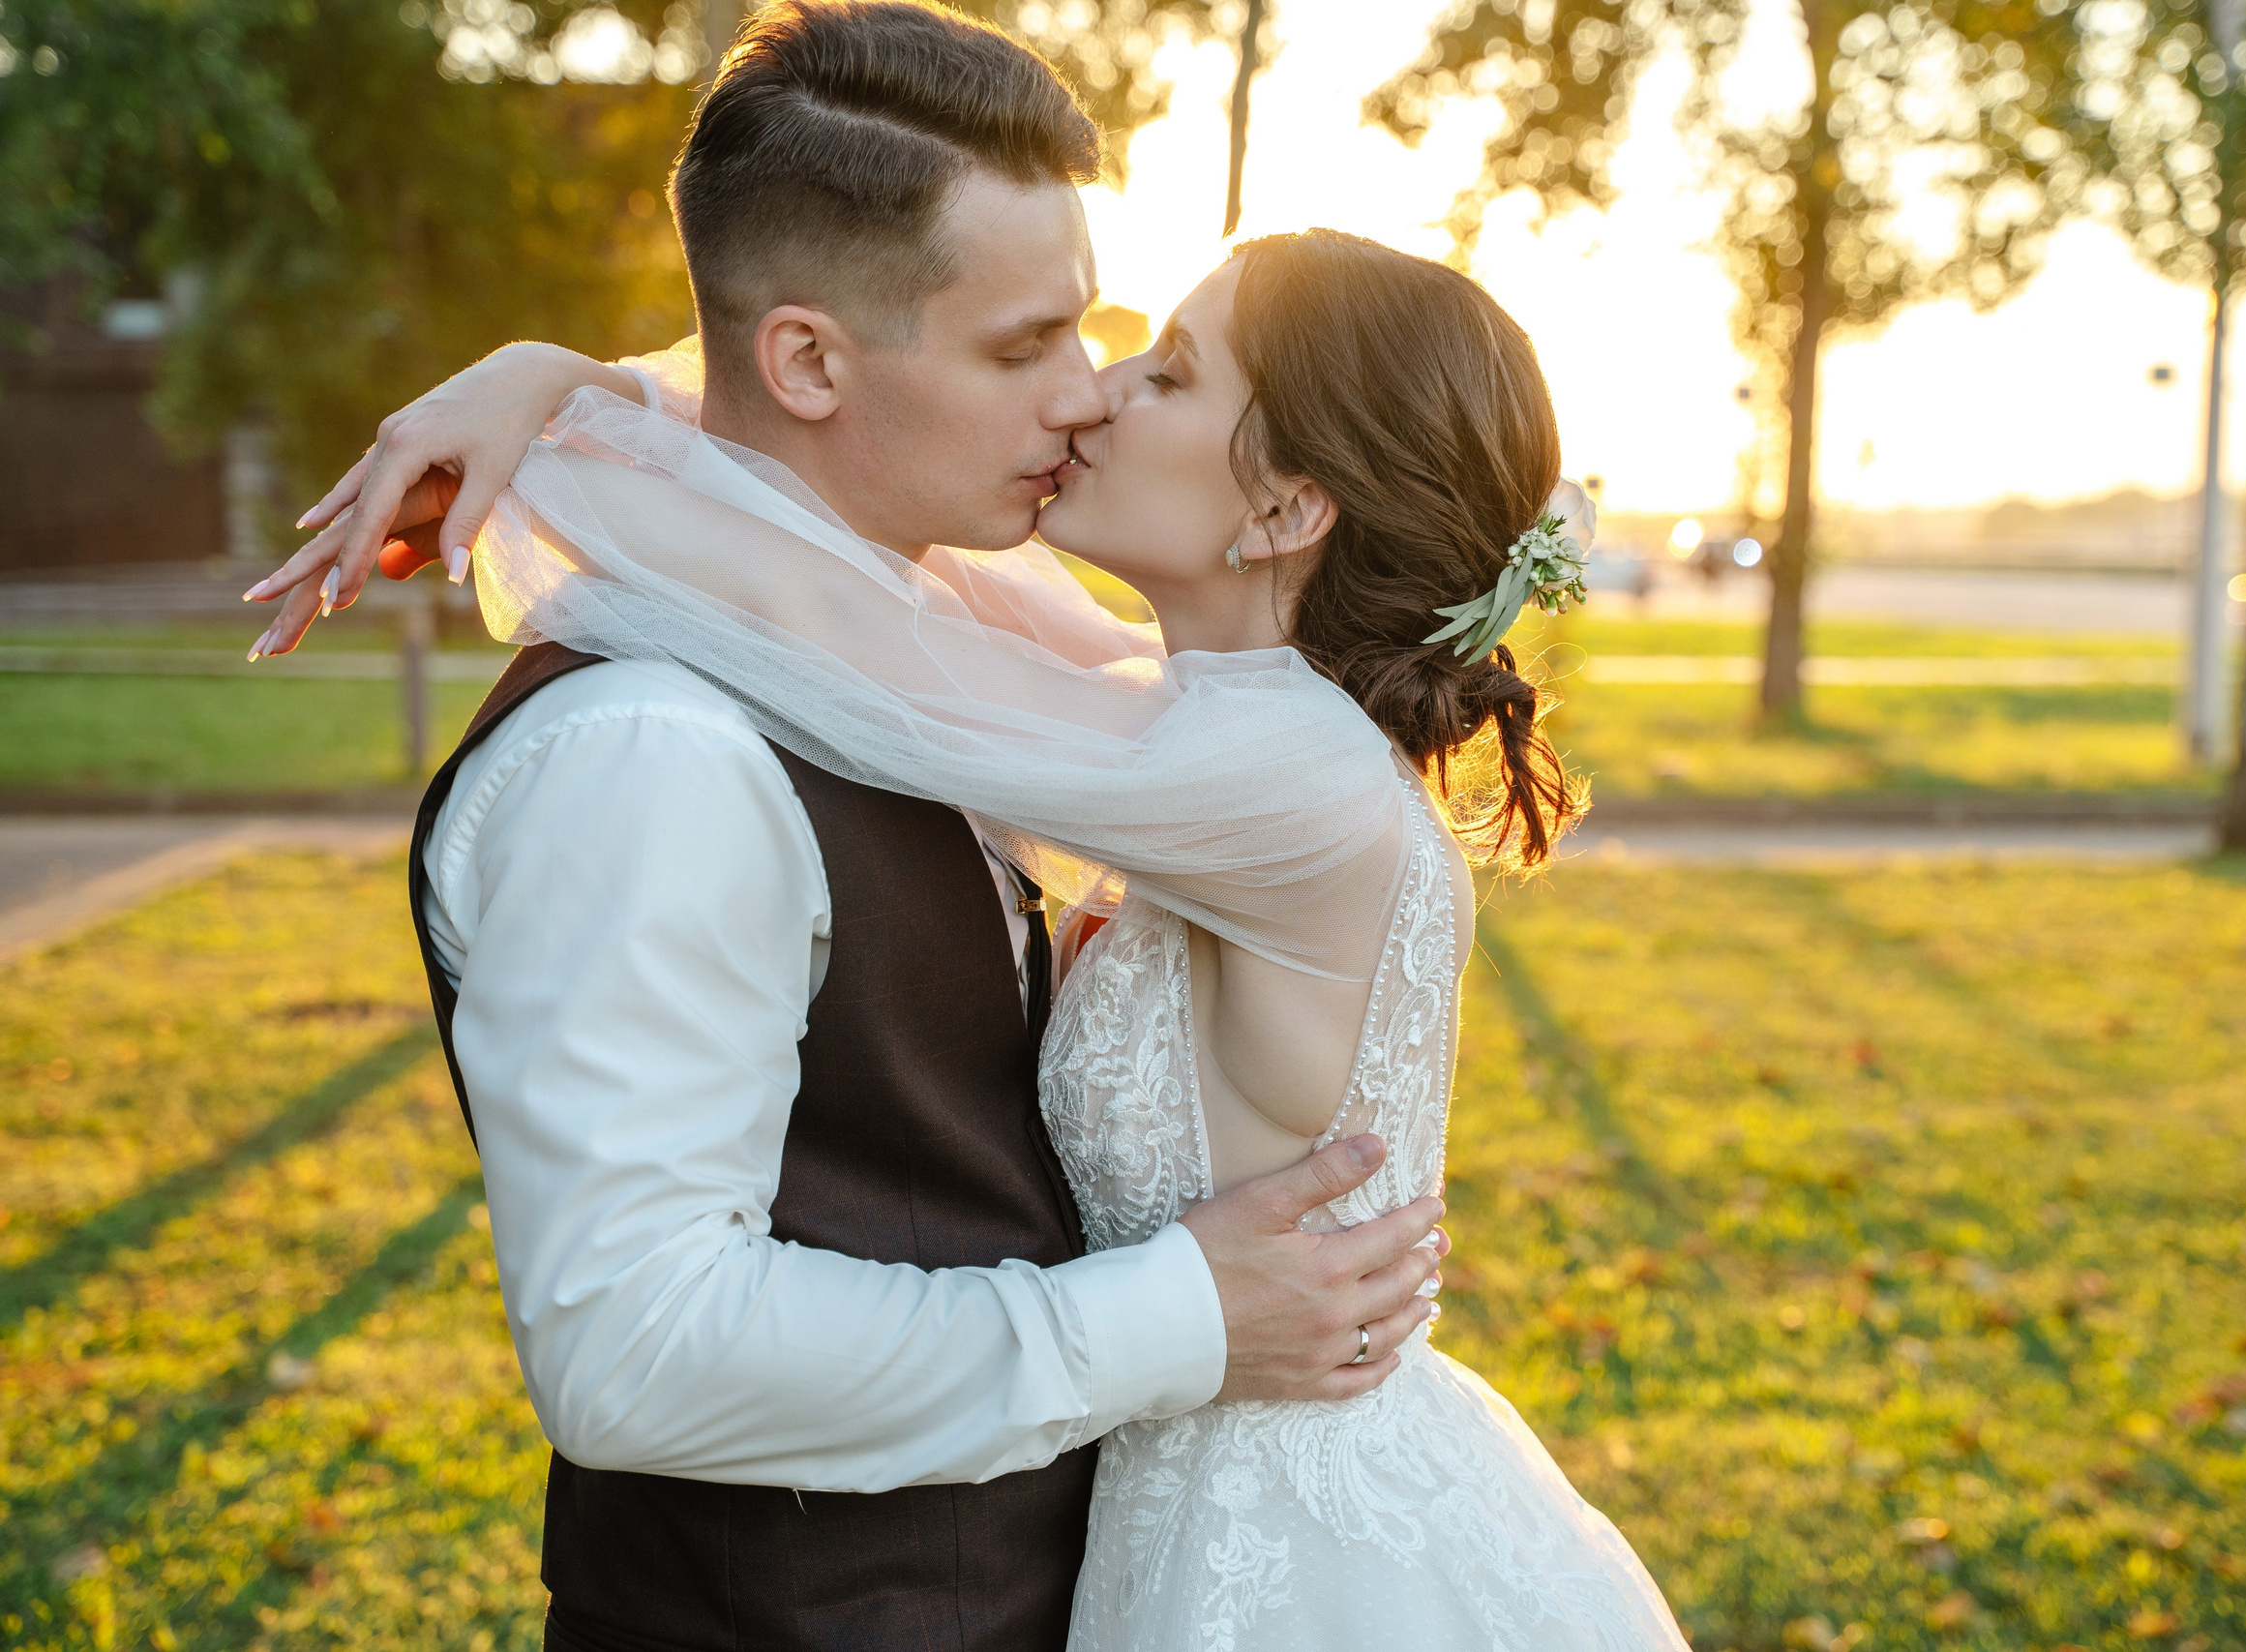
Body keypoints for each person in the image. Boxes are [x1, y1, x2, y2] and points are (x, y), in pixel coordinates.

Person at [244, 7, 1449, 1649]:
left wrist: (555, 384)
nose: (1086, 399)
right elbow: (638, 1349)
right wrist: (1176, 1320)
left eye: (1095, 338)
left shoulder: (946, 650)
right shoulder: (657, 751)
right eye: (1024, 349)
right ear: (809, 360)